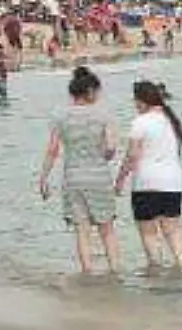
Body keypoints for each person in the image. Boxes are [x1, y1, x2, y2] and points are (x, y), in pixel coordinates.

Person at [38, 66, 122, 277]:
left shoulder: (59, 115)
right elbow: (111, 148)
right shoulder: (104, 114)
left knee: (82, 230)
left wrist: (43, 178)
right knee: (107, 229)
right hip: (99, 177)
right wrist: (103, 154)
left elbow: (52, 149)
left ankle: (87, 273)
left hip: (73, 177)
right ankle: (114, 272)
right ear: (91, 92)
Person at [113, 81, 182, 271]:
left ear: (142, 101)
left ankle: (155, 269)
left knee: (149, 232)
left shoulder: (140, 122)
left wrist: (120, 180)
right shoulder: (171, 120)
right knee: (172, 230)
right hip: (173, 183)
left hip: (146, 183)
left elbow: (132, 156)